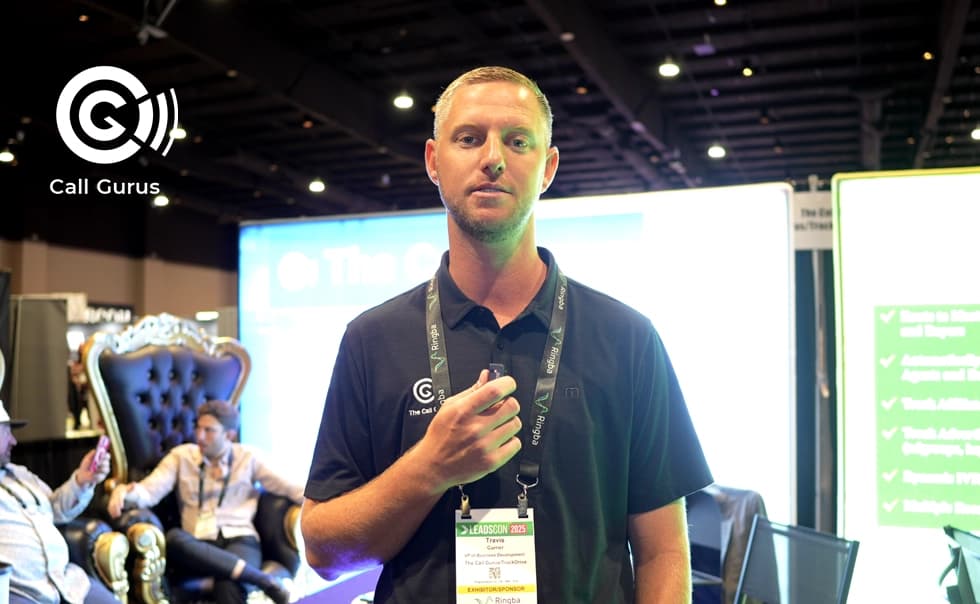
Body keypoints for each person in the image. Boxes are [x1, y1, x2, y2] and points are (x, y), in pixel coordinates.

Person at [300, 65, 714, 603]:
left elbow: (664, 552)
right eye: (469, 138)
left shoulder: (628, 338)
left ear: (547, 167)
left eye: (517, 141)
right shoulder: (371, 339)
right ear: (433, 161)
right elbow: (325, 554)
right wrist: (430, 468)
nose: (492, 157)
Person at [107, 400, 301, 604]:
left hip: (240, 539)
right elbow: (148, 491)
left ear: (229, 435)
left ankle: (247, 576)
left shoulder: (248, 457)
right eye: (198, 428)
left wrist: (322, 502)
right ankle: (263, 580)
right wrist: (124, 492)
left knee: (229, 585)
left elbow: (289, 486)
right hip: (197, 544)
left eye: (209, 430)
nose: (199, 436)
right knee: (173, 538)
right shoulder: (181, 456)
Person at [0, 400, 117, 604]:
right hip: (19, 593)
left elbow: (54, 509)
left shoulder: (21, 475)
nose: (13, 441)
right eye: (5, 433)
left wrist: (82, 480)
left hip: (67, 583)